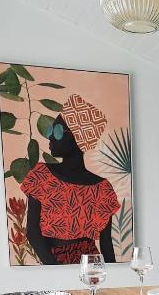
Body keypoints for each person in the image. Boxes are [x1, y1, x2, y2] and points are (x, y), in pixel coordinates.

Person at [21, 94, 119, 265]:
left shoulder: (102, 188)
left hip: (91, 266)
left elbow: (105, 244)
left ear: (77, 137)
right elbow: (33, 234)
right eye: (51, 131)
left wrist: (115, 279)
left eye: (57, 131)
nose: (50, 137)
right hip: (53, 262)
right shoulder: (41, 176)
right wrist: (56, 271)